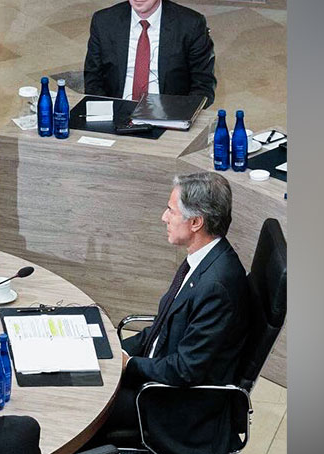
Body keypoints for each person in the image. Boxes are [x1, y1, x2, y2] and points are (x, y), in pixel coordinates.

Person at [97, 171, 247, 439]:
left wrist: (128, 365)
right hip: (159, 374)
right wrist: (111, 351)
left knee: (91, 405)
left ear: (196, 222)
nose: (163, 217)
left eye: (171, 211)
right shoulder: (202, 258)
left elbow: (185, 370)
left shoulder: (216, 286)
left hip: (177, 404)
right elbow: (163, 328)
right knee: (91, 376)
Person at [83, 0, 217, 108]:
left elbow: (204, 87)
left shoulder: (191, 25)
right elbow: (93, 81)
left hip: (168, 115)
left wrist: (177, 117)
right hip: (115, 113)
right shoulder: (103, 22)